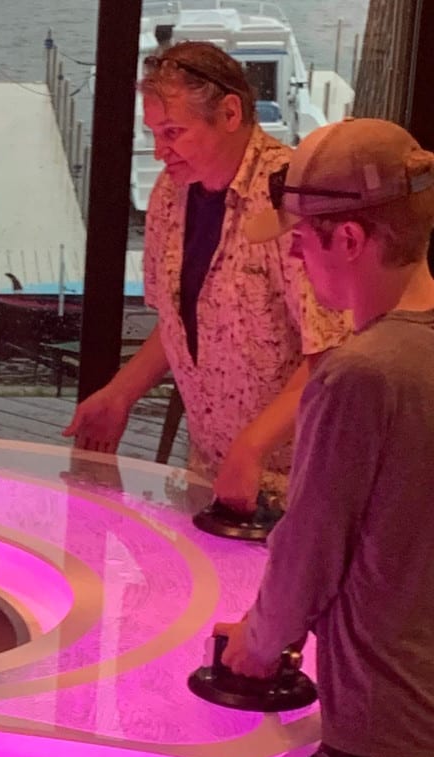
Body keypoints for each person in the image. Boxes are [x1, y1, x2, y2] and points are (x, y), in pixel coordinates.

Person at [216, 117, 434, 757]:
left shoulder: (361, 376)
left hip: (378, 750)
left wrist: (252, 648)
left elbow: (306, 556)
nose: (299, 265)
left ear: (352, 238)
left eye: (301, 243)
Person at [64, 41, 349, 511]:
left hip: (302, 480)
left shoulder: (291, 197)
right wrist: (120, 393)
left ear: (230, 113)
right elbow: (179, 325)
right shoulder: (169, 196)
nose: (160, 152)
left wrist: (252, 446)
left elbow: (332, 352)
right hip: (210, 469)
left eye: (173, 132)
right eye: (154, 133)